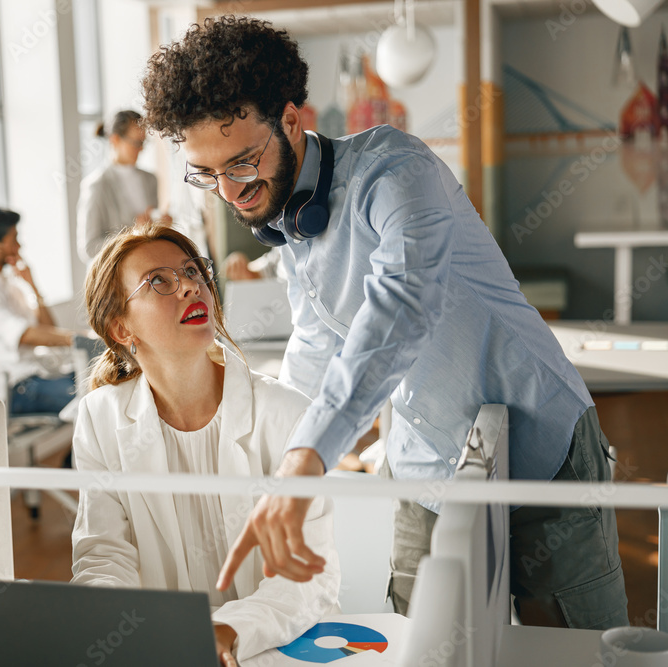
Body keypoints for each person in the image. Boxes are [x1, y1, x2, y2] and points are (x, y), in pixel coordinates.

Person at [140, 15, 628, 629]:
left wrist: (307, 458)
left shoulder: (394, 170)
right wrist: (255, 455)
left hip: (541, 439)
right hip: (424, 459)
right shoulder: (289, 226)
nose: (230, 192)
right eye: (207, 174)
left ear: (292, 120)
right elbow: (315, 354)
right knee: (421, 637)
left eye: (241, 163)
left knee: (575, 645)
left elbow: (401, 308)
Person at [70, 223, 340, 666]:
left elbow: (308, 574)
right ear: (121, 328)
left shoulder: (286, 413)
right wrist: (108, 624)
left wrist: (229, 630)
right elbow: (103, 554)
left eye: (193, 271)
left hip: (277, 646)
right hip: (163, 650)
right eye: (159, 281)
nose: (190, 287)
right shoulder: (100, 417)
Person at [0, 208, 77, 414]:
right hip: (18, 388)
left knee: (107, 381)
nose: (19, 246)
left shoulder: (10, 284)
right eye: (14, 239)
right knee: (93, 398)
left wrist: (33, 286)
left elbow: (47, 328)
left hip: (41, 373)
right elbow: (26, 335)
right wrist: (80, 338)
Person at [76, 110, 171, 264]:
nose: (141, 149)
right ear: (115, 140)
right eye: (136, 143)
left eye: (143, 142)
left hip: (151, 266)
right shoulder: (96, 186)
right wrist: (133, 233)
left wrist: (162, 226)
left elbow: (151, 230)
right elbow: (89, 248)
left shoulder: (150, 179)